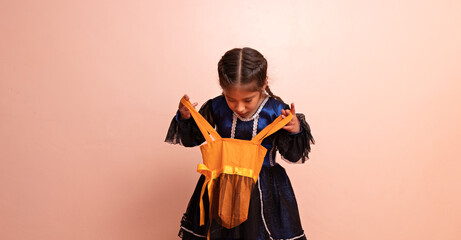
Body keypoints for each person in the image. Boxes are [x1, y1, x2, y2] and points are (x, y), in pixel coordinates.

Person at [165, 47, 315, 240]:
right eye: (230, 99)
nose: (239, 107)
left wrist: (294, 129)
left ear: (264, 83)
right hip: (222, 187)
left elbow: (293, 155)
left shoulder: (276, 110)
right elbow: (191, 139)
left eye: (248, 100)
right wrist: (186, 119)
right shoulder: (216, 107)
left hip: (263, 190)